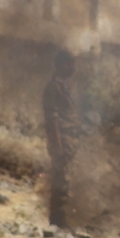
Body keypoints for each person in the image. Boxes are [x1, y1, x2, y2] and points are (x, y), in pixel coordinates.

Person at [43, 49, 79, 228]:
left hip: (70, 139)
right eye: (69, 63)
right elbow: (53, 119)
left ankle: (63, 220)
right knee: (61, 180)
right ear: (59, 65)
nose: (72, 67)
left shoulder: (65, 86)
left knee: (67, 179)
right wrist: (57, 146)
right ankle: (58, 223)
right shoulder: (53, 87)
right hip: (62, 140)